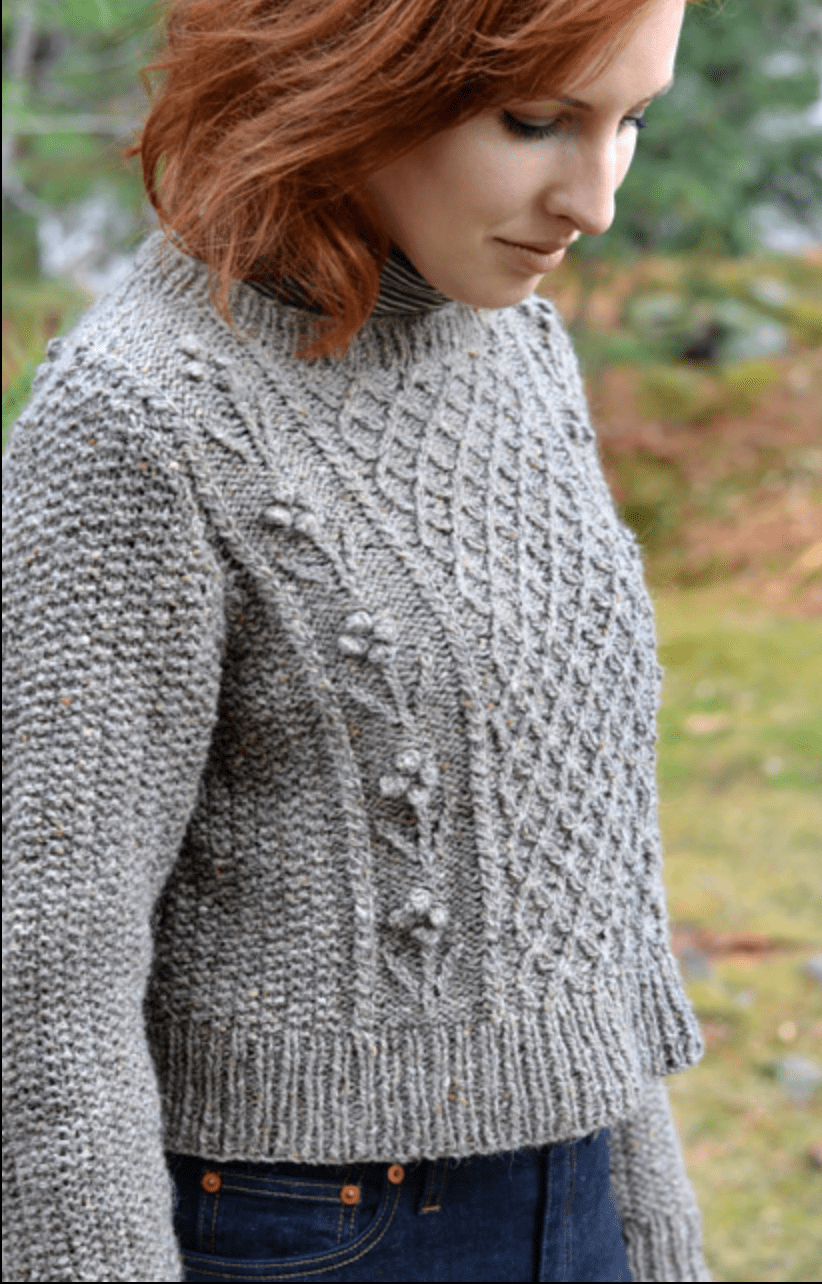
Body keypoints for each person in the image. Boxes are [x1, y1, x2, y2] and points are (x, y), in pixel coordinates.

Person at [2, 0, 712, 1279]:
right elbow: (48, 970)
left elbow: (575, 889)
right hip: (310, 1228)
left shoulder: (514, 342)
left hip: (578, 1193)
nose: (595, 202)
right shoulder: (140, 414)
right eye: (535, 121)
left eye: (633, 122)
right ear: (361, 70)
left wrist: (654, 1238)